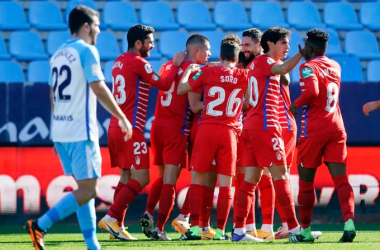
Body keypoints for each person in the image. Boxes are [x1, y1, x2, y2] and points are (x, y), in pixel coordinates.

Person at [24, 6, 132, 250]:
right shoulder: (87, 50)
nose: (99, 30)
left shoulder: (58, 54)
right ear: (85, 26)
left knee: (84, 190)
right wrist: (122, 117)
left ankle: (93, 245)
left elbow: (53, 97)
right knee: (88, 190)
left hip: (62, 132)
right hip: (80, 132)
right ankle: (39, 225)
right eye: (96, 25)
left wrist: (56, 134)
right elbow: (99, 88)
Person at [98, 24, 186, 240]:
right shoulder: (139, 63)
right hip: (131, 128)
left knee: (126, 176)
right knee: (142, 177)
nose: (152, 45)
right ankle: (110, 218)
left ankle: (116, 226)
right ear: (139, 43)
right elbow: (165, 84)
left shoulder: (118, 61)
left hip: (115, 126)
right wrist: (175, 66)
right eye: (150, 41)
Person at [178, 38, 255, 242]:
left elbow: (181, 89)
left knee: (197, 181)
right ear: (237, 57)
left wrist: (187, 72)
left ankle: (194, 228)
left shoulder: (208, 72)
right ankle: (221, 231)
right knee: (226, 184)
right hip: (229, 133)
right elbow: (249, 102)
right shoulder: (244, 75)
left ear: (219, 55)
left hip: (207, 130)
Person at [232, 27, 304, 242]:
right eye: (284, 43)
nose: (287, 47)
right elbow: (283, 68)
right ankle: (293, 228)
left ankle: (238, 231)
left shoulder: (255, 64)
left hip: (253, 125)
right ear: (270, 44)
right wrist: (302, 54)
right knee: (281, 175)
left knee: (250, 180)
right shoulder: (266, 62)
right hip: (266, 125)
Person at [140, 34, 211, 241]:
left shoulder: (168, 65)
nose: (210, 55)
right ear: (196, 51)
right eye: (207, 50)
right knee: (171, 181)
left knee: (162, 178)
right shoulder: (195, 71)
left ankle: (148, 211)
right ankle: (160, 228)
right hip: (176, 129)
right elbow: (194, 104)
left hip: (157, 125)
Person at [289, 29, 355, 243]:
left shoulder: (307, 66)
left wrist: (294, 105)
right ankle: (349, 223)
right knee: (341, 180)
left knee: (306, 182)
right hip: (336, 126)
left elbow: (312, 92)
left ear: (308, 48)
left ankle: (305, 231)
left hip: (314, 129)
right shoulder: (335, 65)